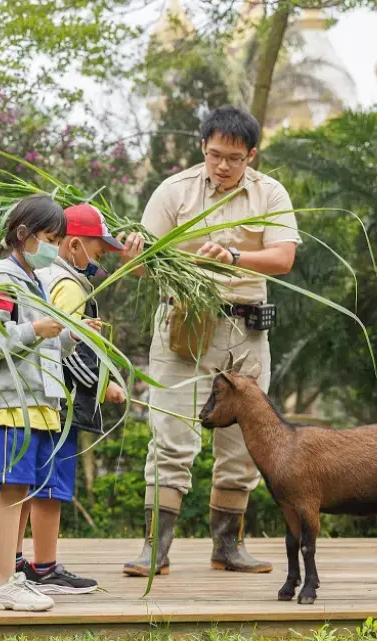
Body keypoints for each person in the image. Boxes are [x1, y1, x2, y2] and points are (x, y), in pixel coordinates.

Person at [124, 106, 301, 577]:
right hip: (185, 325)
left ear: (252, 155)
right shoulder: (172, 191)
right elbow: (142, 267)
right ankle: (153, 550)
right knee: (171, 436)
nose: (223, 165)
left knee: (244, 443)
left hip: (246, 332)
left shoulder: (270, 192)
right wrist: (135, 255)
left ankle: (228, 545)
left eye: (235, 158)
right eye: (215, 154)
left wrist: (235, 255)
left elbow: (284, 258)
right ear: (202, 146)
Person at [13, 202, 144, 594]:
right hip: (59, 402)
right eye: (98, 251)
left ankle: (17, 561)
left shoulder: (47, 276)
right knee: (50, 487)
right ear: (72, 246)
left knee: (28, 484)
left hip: (38, 397)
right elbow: (70, 349)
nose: (100, 260)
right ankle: (45, 566)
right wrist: (102, 387)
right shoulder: (69, 286)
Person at [0, 194, 91, 611]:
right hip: (11, 402)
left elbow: (45, 342)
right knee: (13, 492)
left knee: (22, 491)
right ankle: (3, 581)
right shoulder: (2, 277)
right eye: (49, 238)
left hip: (38, 402)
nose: (54, 249)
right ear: (24, 235)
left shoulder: (33, 281)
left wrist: (72, 334)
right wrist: (33, 330)